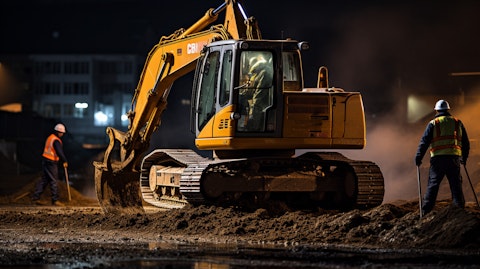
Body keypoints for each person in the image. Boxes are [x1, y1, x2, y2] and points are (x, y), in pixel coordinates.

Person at [414, 99, 470, 216]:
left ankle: (426, 211)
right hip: (453, 159)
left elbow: (424, 142)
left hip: (438, 160)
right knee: (456, 185)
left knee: (433, 185)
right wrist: (464, 158)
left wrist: (418, 157)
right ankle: (459, 210)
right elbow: (466, 143)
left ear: (437, 111)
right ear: (448, 110)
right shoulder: (457, 122)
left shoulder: (433, 123)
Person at [32, 123, 69, 206]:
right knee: (53, 180)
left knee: (44, 180)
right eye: (62, 133)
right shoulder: (56, 140)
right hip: (51, 162)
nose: (62, 134)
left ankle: (35, 197)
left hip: (45, 161)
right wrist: (64, 161)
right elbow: (59, 152)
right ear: (59, 132)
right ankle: (55, 200)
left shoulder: (50, 138)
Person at [241, 53, 273, 131]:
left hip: (263, 107)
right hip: (260, 106)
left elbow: (259, 94)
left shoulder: (264, 73)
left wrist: (253, 112)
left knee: (254, 127)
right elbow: (250, 91)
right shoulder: (256, 74)